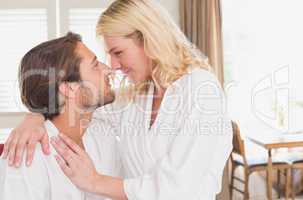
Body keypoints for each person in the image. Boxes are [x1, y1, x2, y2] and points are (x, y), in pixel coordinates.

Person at [2, 0, 233, 199]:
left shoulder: (201, 91)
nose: (112, 66)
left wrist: (94, 181)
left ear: (149, 40)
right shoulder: (137, 97)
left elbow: (179, 190)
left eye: (118, 52)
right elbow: (75, 107)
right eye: (103, 58)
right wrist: (34, 116)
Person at [0, 32, 116, 200]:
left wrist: (35, 116)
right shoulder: (27, 157)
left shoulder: (103, 134)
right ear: (68, 88)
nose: (108, 69)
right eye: (95, 65)